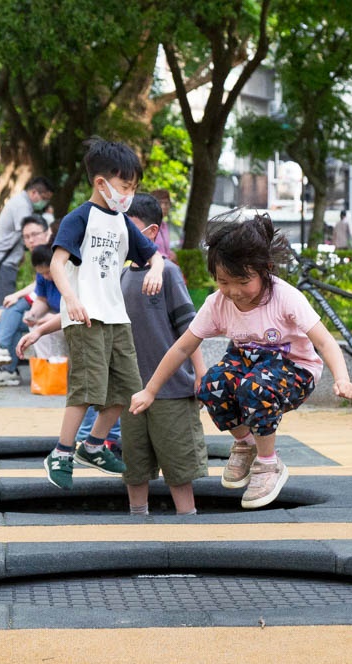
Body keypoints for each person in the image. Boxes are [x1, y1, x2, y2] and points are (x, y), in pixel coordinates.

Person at [130, 212, 352, 509]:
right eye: (224, 282)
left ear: (265, 270)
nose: (234, 292)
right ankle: (246, 444)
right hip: (249, 363)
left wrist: (341, 378)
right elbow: (181, 348)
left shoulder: (286, 298)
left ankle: (268, 464)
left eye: (243, 281)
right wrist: (150, 390)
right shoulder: (218, 303)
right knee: (211, 383)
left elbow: (324, 341)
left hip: (295, 369)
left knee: (254, 387)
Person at [41, 138, 164, 489]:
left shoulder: (123, 222)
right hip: (86, 316)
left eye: (133, 187)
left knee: (127, 391)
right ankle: (62, 452)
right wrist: (70, 299)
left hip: (116, 317)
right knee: (86, 388)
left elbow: (152, 254)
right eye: (125, 186)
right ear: (101, 183)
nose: (129, 193)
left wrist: (155, 268)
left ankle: (93, 445)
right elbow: (58, 263)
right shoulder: (79, 218)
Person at [118, 193, 208, 516]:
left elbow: (189, 329)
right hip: (132, 391)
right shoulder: (122, 276)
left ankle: (188, 526)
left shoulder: (168, 274)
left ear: (152, 232)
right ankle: (137, 523)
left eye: (130, 227)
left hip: (171, 390)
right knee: (134, 468)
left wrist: (199, 374)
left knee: (180, 469)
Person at [0, 214, 55, 386]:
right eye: (26, 237)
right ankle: (5, 367)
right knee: (6, 313)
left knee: (11, 311)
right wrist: (31, 312)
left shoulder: (57, 254)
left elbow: (41, 291)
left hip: (62, 316)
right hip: (45, 313)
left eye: (35, 234)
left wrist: (19, 297)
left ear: (47, 232)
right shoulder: (40, 258)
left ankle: (3, 358)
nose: (31, 240)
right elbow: (40, 292)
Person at [0, 176, 55, 304]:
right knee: (6, 306)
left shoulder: (20, 202)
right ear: (33, 193)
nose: (45, 203)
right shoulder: (22, 206)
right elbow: (26, 231)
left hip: (2, 260)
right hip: (3, 263)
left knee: (6, 303)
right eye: (44, 198)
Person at [149, 188, 176, 262]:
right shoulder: (148, 225)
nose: (164, 206)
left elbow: (163, 249)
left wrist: (170, 254)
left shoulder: (164, 225)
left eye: (166, 203)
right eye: (160, 203)